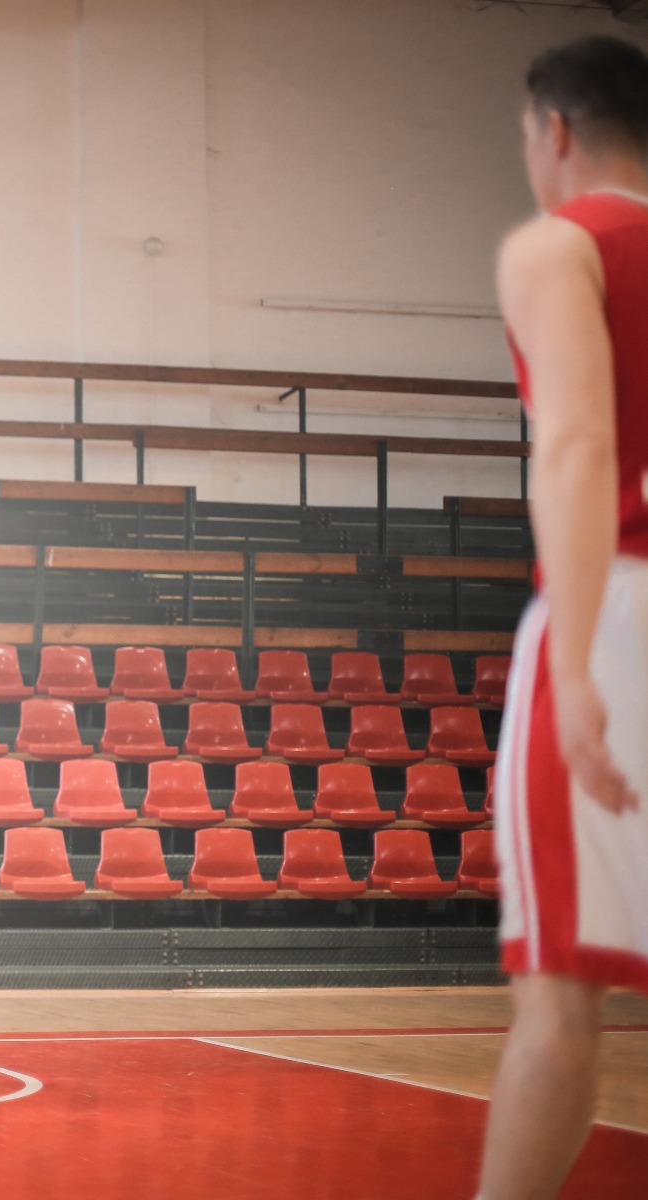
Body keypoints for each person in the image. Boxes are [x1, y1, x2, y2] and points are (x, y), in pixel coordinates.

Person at [479, 34, 648, 1200]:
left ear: (554, 134)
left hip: (620, 599)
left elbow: (581, 441)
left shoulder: (559, 241)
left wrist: (580, 660)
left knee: (558, 1000)